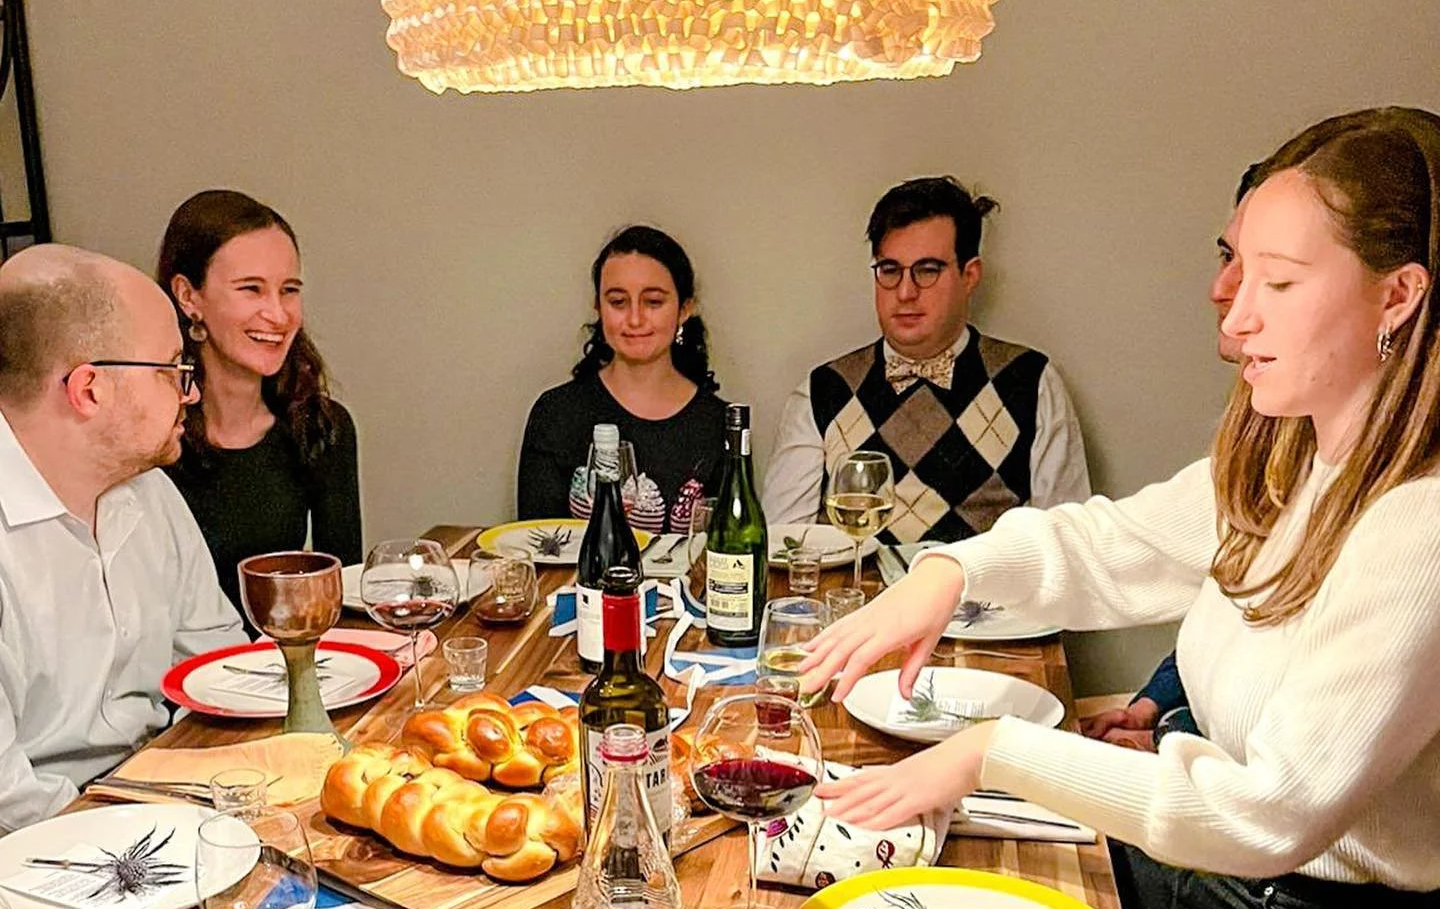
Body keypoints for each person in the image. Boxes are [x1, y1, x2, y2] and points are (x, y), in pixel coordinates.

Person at [801, 108, 1440, 909]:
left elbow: (1268, 813)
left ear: (1398, 295)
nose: (1234, 316)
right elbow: (1110, 545)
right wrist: (948, 575)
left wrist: (993, 752)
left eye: (1277, 283)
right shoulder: (1293, 453)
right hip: (1211, 881)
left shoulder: (1418, 528)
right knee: (936, 894)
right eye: (1237, 272)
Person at [0, 245, 243, 831]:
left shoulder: (150, 492)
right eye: (173, 369)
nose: (190, 393)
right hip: (42, 852)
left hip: (160, 796)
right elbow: (9, 801)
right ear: (89, 388)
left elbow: (221, 670)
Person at [762, 175, 1090, 537]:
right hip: (856, 577)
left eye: (927, 270)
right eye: (890, 270)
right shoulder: (822, 392)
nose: (905, 292)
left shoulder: (1031, 382)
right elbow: (783, 543)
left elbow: (1067, 542)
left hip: (981, 577)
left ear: (970, 276)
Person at [1081, 169, 1260, 752]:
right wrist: (1154, 705)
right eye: (1228, 257)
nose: (1221, 290)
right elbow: (1225, 610)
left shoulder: (1408, 511)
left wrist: (1168, 741)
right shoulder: (1270, 445)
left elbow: (1287, 789)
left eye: (1273, 274)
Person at [159, 189, 362, 620]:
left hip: (283, 657)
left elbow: (342, 593)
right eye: (251, 289)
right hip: (174, 663)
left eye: (289, 290)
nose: (278, 314)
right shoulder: (149, 439)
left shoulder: (321, 426)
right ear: (188, 296)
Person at [517, 225, 726, 534]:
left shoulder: (719, 422)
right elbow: (536, 543)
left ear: (684, 310)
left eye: (653, 302)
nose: (635, 319)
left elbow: (731, 549)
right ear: (599, 308)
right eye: (618, 302)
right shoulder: (556, 413)